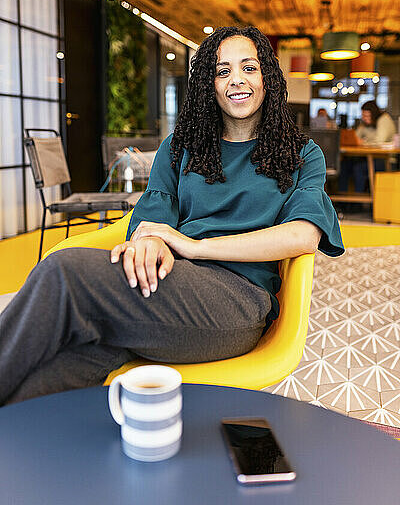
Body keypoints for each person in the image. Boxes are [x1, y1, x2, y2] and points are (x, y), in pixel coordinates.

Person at [0, 26, 344, 406]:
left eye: (249, 67)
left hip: (236, 303)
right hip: (165, 286)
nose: (237, 80)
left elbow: (303, 236)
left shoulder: (303, 154)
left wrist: (194, 247)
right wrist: (148, 243)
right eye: (222, 71)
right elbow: (153, 213)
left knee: (62, 271)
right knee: (65, 363)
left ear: (267, 78)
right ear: (209, 85)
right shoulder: (180, 147)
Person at [338, 100, 396, 194]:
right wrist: (356, 139)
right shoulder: (366, 123)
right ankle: (342, 202)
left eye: (367, 116)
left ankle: (358, 203)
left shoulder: (384, 119)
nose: (364, 118)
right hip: (366, 157)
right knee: (344, 165)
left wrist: (363, 142)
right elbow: (355, 138)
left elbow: (379, 141)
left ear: (374, 114)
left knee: (358, 168)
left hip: (384, 159)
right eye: (363, 115)